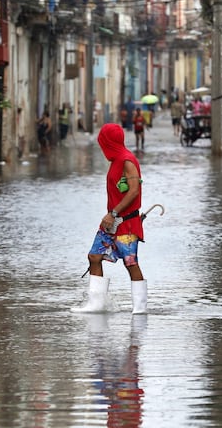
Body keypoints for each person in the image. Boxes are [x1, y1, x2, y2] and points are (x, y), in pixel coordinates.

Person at [72, 123, 147, 314]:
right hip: (110, 223)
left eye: (103, 143)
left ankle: (140, 309)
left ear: (110, 142)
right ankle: (96, 304)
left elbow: (134, 191)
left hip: (125, 222)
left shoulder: (127, 161)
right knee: (94, 256)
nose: (101, 147)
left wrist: (113, 213)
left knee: (130, 263)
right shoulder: (115, 161)